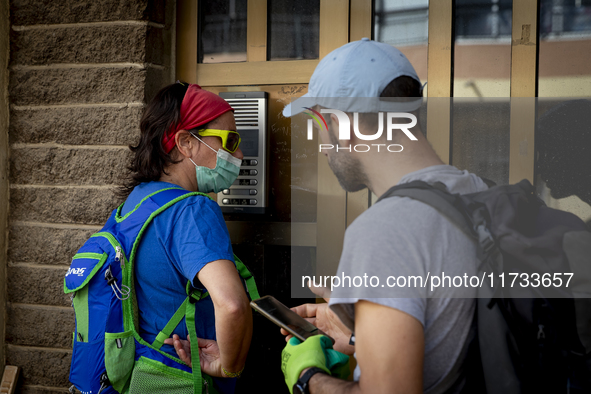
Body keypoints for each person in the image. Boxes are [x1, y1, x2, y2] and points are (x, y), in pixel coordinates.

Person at [280, 39, 488, 393]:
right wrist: (364, 331)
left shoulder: (385, 229)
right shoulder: (478, 191)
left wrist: (308, 378)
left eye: (317, 122)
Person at [118, 82, 252, 393]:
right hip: (187, 379)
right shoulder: (193, 209)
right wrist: (228, 366)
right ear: (185, 142)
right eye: (229, 141)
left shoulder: (137, 203)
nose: (239, 153)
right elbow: (232, 305)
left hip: (145, 374)